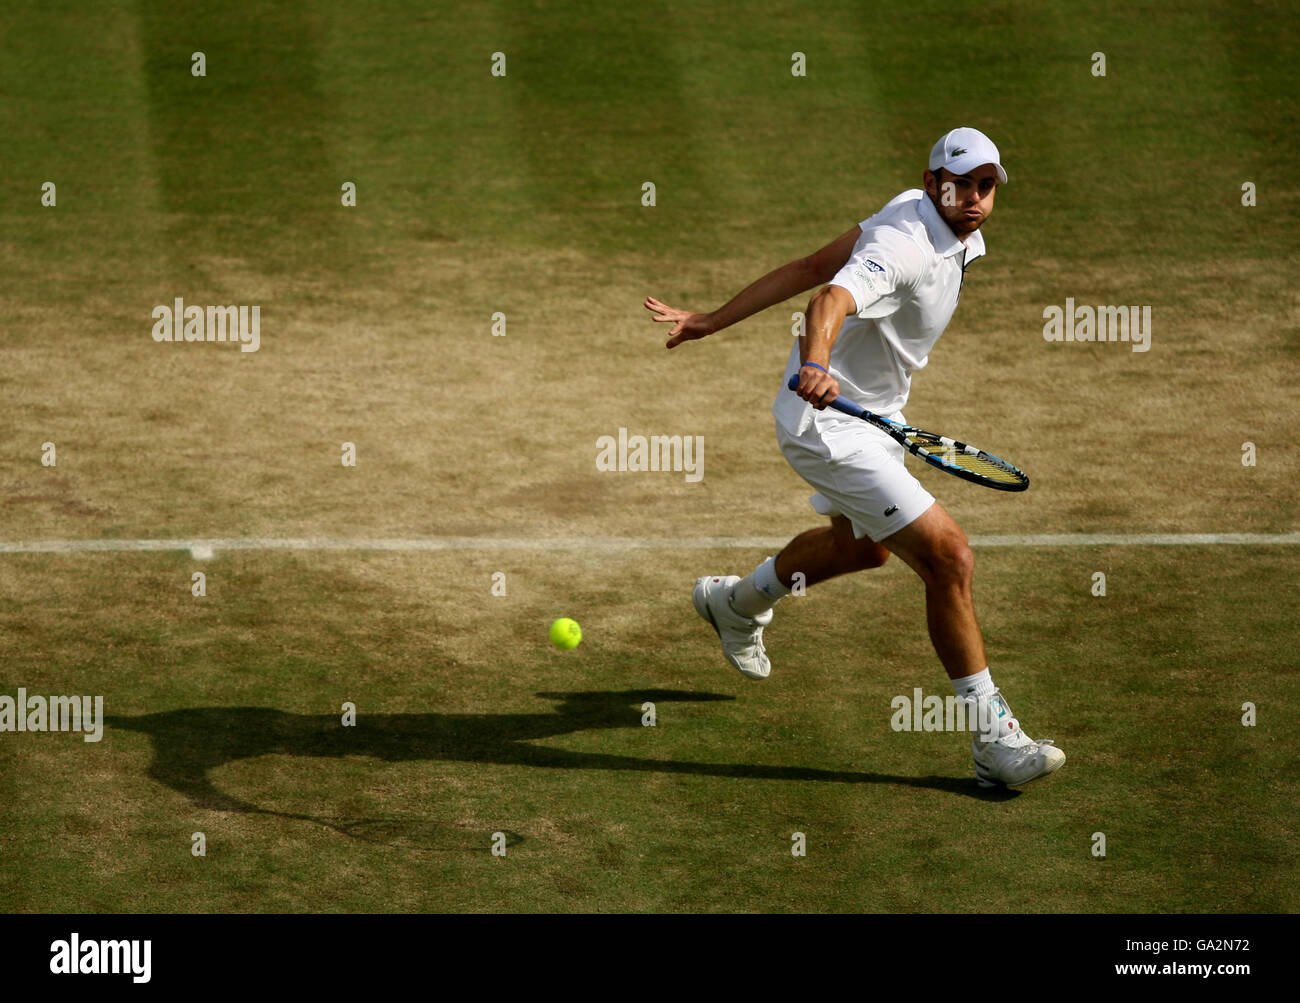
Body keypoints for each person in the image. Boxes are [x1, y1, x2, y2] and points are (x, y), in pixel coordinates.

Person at [645, 128, 1064, 788]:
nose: (977, 197)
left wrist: (711, 319)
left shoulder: (923, 214)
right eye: (963, 183)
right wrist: (815, 360)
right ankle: (994, 742)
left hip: (873, 419)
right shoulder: (905, 244)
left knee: (863, 549)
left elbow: (815, 264)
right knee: (949, 556)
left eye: (988, 185)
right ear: (933, 184)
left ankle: (736, 603)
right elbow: (828, 298)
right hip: (827, 426)